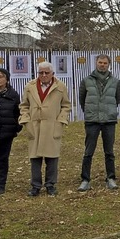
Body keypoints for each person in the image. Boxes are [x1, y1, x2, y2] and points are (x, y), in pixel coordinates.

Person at [19, 61, 72, 197]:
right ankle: (35, 186)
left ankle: (50, 185)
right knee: (35, 158)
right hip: (34, 126)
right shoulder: (30, 86)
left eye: (46, 73)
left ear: (52, 73)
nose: (43, 75)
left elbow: (66, 105)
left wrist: (61, 120)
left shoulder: (60, 87)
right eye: (41, 72)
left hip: (52, 126)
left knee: (52, 158)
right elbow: (24, 105)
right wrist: (25, 119)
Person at [77, 54, 120, 192]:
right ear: (96, 63)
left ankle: (111, 178)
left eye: (105, 63)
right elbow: (82, 99)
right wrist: (91, 112)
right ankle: (85, 179)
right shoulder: (86, 81)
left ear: (109, 64)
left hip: (109, 120)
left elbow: (117, 98)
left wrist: (108, 111)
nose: (102, 65)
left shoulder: (115, 81)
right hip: (92, 120)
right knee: (88, 151)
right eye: (100, 62)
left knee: (109, 151)